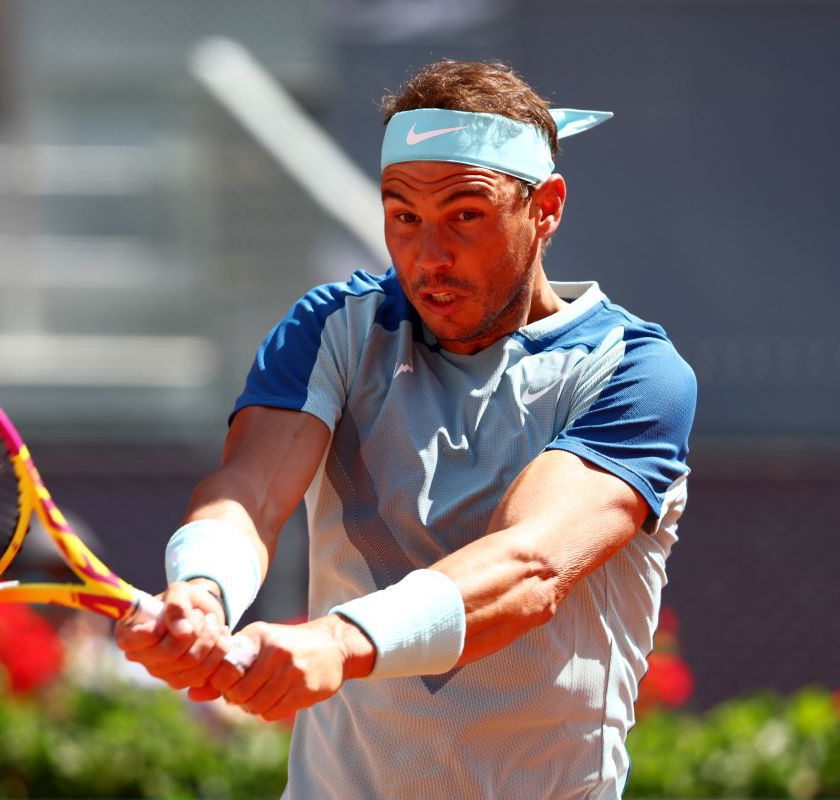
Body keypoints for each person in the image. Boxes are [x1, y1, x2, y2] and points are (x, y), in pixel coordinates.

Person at [115, 59, 696, 799]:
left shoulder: (633, 372)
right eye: (403, 216)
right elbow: (249, 495)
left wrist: (336, 641)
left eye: (466, 214)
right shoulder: (335, 327)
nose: (429, 256)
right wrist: (202, 589)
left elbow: (528, 568)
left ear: (545, 208)